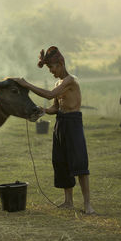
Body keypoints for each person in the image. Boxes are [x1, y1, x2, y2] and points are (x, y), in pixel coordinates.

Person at [12, 46, 96, 214]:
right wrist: (41, 111)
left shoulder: (70, 80)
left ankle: (88, 205)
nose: (50, 71)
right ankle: (68, 201)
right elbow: (55, 107)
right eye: (49, 68)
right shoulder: (58, 83)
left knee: (79, 163)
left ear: (61, 63)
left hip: (73, 123)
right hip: (61, 123)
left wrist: (26, 84)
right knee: (61, 161)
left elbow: (50, 95)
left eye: (52, 67)